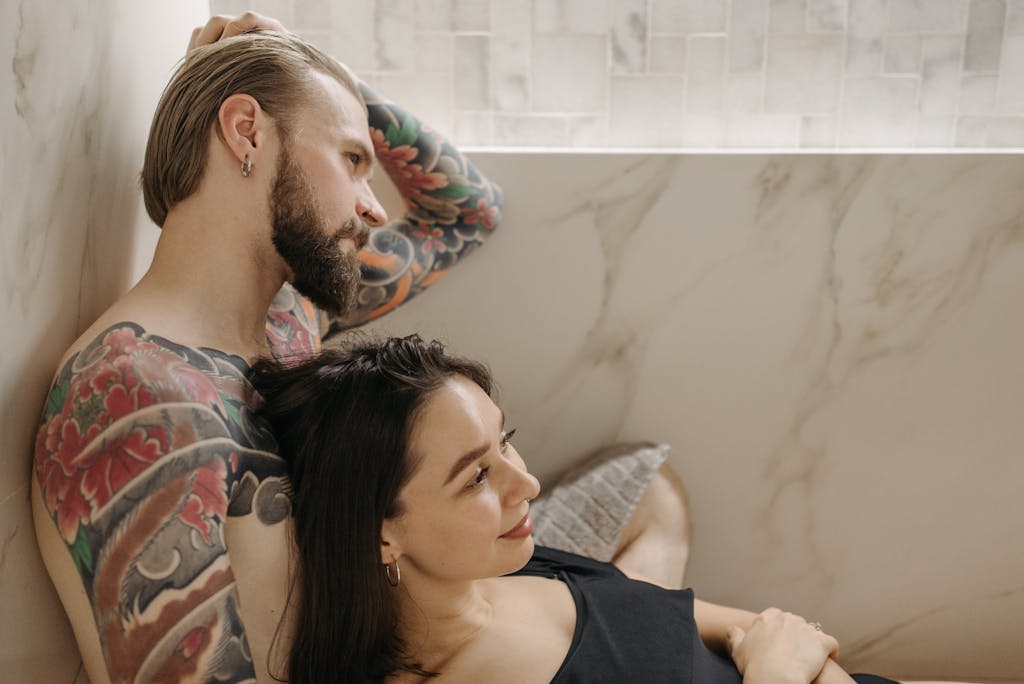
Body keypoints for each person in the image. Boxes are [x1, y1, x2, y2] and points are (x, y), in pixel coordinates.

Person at [30, 14, 688, 684]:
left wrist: (307, 74)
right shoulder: (137, 391)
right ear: (246, 133)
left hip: (419, 619)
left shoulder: (289, 312)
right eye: (352, 160)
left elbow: (468, 211)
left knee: (652, 496)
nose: (374, 208)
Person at [253, 334, 902, 684]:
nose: (526, 485)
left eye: (505, 444)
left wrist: (781, 659)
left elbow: (779, 633)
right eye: (477, 476)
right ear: (380, 537)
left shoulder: (526, 570)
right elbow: (779, 652)